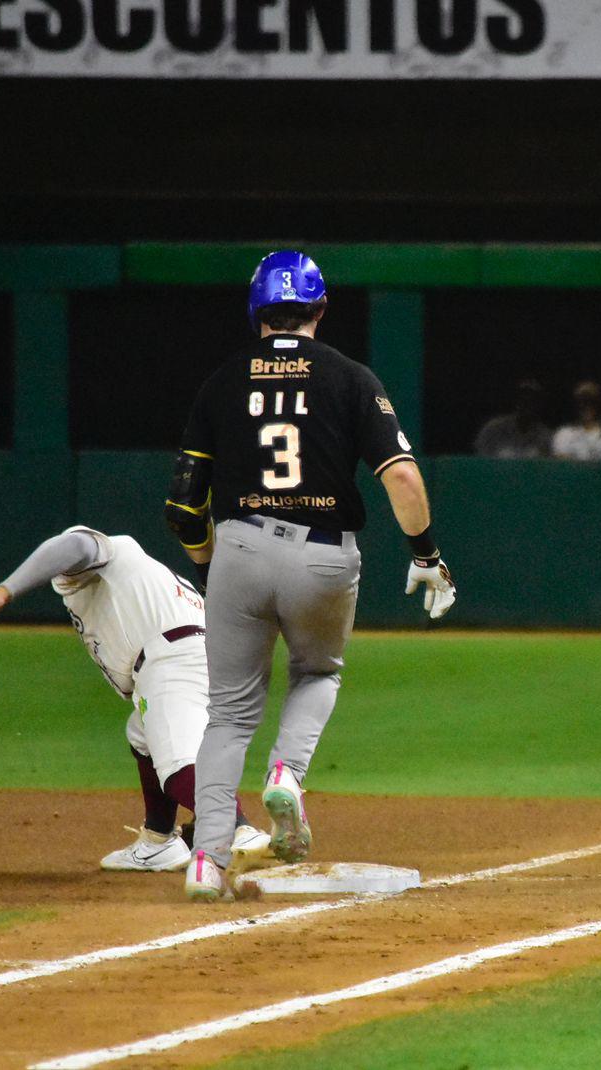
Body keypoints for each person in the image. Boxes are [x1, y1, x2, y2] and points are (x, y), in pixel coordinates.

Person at [165, 250, 456, 902]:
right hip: (323, 555)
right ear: (321, 310)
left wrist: (215, 570)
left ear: (255, 313)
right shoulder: (351, 378)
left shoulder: (220, 382)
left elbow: (184, 505)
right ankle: (287, 778)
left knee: (228, 717)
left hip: (239, 547)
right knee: (317, 673)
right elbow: (403, 476)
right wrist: (426, 556)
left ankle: (207, 863)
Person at [0, 525, 273, 874]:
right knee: (143, 734)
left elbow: (74, 544)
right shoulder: (146, 582)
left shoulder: (113, 552)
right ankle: (158, 841)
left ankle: (235, 828)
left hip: (174, 658)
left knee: (177, 765)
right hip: (209, 657)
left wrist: (2, 593)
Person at [473, 378, 552, 458]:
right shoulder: (492, 429)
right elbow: (480, 459)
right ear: (516, 401)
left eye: (532, 400)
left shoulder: (545, 436)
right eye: (523, 399)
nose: (526, 403)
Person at [550, 381, 601, 461]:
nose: (587, 406)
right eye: (582, 401)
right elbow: (562, 465)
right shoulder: (563, 434)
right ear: (575, 404)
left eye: (591, 401)